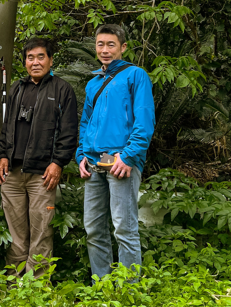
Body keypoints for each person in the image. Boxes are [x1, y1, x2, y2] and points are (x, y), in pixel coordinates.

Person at [76, 24, 155, 280]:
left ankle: (129, 288)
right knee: (94, 229)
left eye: (111, 45)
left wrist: (129, 155)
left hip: (121, 158)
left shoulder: (135, 75)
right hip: (95, 160)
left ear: (122, 47)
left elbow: (144, 121)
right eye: (100, 44)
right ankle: (102, 285)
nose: (105, 50)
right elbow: (85, 122)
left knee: (124, 228)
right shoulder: (93, 83)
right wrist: (81, 156)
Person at [0, 37, 78, 278]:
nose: (35, 62)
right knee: (16, 234)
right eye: (30, 58)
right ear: (24, 62)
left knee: (41, 233)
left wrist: (58, 162)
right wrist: (3, 155)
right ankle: (13, 285)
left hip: (43, 174)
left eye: (41, 57)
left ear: (51, 60)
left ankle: (36, 289)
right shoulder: (17, 88)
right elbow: (7, 125)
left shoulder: (62, 89)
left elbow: (69, 131)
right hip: (13, 173)